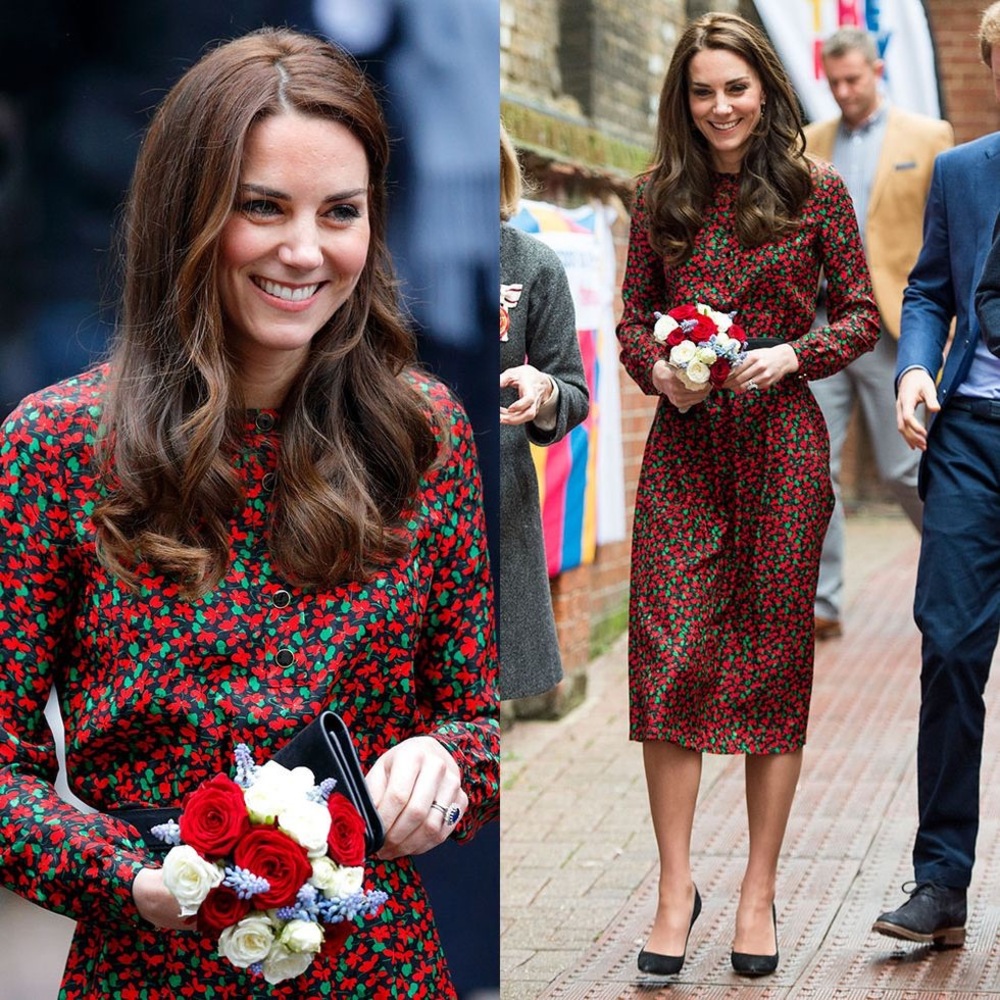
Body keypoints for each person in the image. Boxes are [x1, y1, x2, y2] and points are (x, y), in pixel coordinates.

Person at [0, 28, 498, 999]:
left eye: (340, 212)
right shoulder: (52, 449)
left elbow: (473, 720)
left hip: (378, 967)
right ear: (187, 214)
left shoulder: (423, 435)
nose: (304, 251)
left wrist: (440, 769)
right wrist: (125, 873)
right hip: (149, 965)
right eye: (261, 208)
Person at [616, 11, 878, 978]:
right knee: (669, 658)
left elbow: (859, 315)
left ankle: (758, 890)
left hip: (781, 451)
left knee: (772, 664)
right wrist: (663, 371)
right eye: (701, 91)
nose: (720, 106)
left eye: (735, 87)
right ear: (682, 102)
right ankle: (672, 887)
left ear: (765, 88)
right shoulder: (656, 196)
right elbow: (631, 323)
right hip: (687, 453)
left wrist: (791, 354)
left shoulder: (818, 192)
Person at [873, 1, 1000, 951]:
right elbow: (927, 287)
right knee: (951, 647)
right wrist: (917, 362)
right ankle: (940, 880)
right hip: (973, 436)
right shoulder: (962, 173)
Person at [804, 27, 953, 641]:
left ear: (877, 69)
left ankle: (955, 564)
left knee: (904, 465)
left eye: (853, 79)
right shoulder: (810, 142)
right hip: (819, 324)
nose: (844, 92)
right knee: (815, 466)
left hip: (892, 323)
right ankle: (823, 603)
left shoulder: (929, 136)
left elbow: (943, 235)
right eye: (834, 82)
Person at [498, 121, 590, 702]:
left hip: (497, 495)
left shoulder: (533, 263)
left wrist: (544, 390)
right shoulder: (387, 252)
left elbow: (573, 389)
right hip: (392, 488)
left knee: (484, 688)